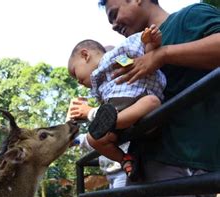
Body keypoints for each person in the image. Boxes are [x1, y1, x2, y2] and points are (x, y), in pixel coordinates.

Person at [70, 1, 220, 197]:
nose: (112, 24)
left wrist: (162, 55)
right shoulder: (130, 49)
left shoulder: (190, 17)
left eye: (114, 13)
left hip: (182, 159)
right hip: (141, 167)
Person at [67, 25, 166, 179]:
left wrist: (149, 41)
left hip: (139, 102)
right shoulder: (98, 87)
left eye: (75, 72)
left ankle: (113, 121)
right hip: (120, 116)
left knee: (151, 101)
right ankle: (124, 159)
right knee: (94, 139)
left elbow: (140, 55)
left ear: (85, 55)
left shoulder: (114, 58)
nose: (78, 81)